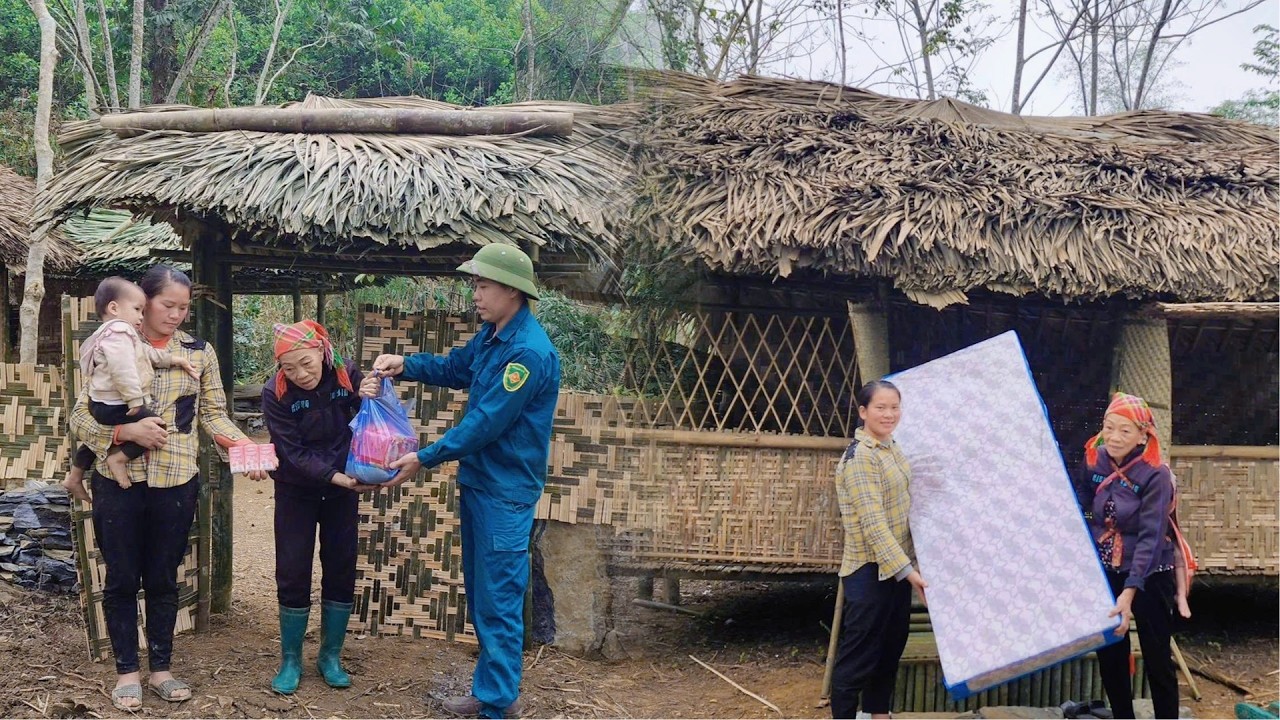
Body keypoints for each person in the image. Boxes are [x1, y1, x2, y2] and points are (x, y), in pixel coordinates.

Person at [362, 244, 560, 719]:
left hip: (506, 493)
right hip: (481, 484)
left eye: (483, 284)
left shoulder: (527, 353)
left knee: (499, 600)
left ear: (512, 290)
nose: (475, 293)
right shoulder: (494, 337)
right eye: (475, 284)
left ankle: (497, 706)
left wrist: (423, 457)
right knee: (483, 592)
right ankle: (491, 693)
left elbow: (485, 424)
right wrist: (404, 364)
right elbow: (455, 368)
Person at [69, 264, 268, 712]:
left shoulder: (198, 352)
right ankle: (126, 673)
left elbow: (214, 414)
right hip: (118, 482)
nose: (176, 315)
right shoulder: (114, 343)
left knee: (162, 578)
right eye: (167, 305)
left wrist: (244, 450)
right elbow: (81, 416)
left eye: (184, 307)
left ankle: (160, 669)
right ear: (145, 301)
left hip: (175, 480)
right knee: (120, 578)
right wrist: (124, 436)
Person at [260, 319, 372, 694]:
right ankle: (291, 659)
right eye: (289, 367)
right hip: (297, 489)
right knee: (292, 568)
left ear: (323, 351)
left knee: (340, 564)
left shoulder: (349, 376)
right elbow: (291, 452)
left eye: (306, 363)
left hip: (342, 490)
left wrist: (374, 392)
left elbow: (368, 420)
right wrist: (334, 476)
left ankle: (330, 655)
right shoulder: (275, 393)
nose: (300, 374)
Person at [829, 379, 927, 720]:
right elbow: (874, 525)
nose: (889, 414)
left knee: (888, 650)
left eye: (894, 407)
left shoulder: (892, 448)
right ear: (863, 411)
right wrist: (911, 573)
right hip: (868, 572)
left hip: (896, 570)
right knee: (858, 656)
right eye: (880, 407)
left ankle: (878, 715)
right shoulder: (860, 459)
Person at [1079, 392, 1180, 720]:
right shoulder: (1095, 462)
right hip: (1108, 565)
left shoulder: (1156, 474)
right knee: (1110, 651)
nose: (1115, 437)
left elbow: (1151, 537)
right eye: (1109, 428)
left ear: (1142, 435)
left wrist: (1130, 589)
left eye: (1125, 431)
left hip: (1151, 570)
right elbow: (1080, 504)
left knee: (1156, 656)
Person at [62, 277, 197, 499]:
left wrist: (175, 359)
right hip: (116, 404)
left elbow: (146, 354)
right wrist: (135, 401)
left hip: (172, 476)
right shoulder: (119, 333)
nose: (140, 316)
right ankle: (119, 458)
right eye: (138, 309)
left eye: (183, 308)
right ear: (114, 307)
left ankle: (75, 476)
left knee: (95, 440)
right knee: (157, 424)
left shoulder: (115, 335)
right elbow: (122, 368)